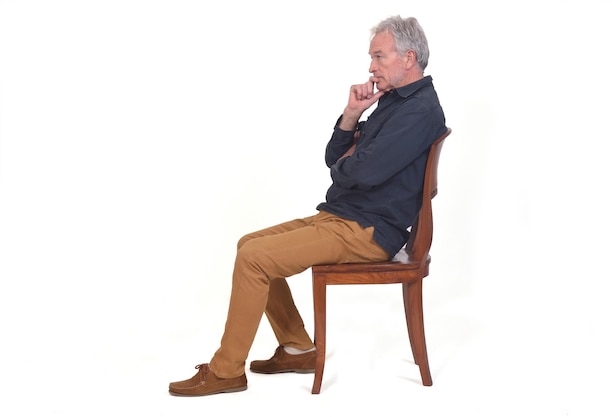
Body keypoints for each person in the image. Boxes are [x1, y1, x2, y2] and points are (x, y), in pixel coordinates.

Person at [168, 15, 447, 396]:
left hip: (367, 231)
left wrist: (348, 165)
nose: (370, 66)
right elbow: (335, 156)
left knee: (256, 259)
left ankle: (225, 371)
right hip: (343, 218)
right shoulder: (393, 103)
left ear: (408, 57)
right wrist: (352, 115)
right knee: (248, 245)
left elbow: (360, 172)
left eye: (379, 57)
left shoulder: (420, 111)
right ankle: (298, 348)